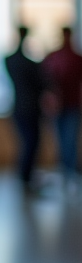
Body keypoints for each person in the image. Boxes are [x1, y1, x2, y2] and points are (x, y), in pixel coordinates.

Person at [5, 26, 46, 195]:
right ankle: (25, 177)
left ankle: (25, 177)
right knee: (31, 144)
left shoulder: (10, 60)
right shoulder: (27, 63)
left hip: (19, 108)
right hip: (29, 108)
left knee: (28, 144)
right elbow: (41, 83)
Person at [42, 26, 82, 185]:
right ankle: (65, 171)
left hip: (73, 105)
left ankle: (70, 172)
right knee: (60, 140)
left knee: (70, 140)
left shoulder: (77, 58)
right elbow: (45, 81)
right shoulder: (52, 57)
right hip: (57, 107)